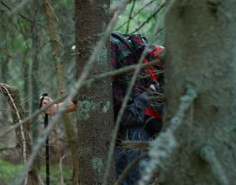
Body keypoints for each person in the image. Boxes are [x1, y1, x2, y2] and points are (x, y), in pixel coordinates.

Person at [41, 32, 164, 184]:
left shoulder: (108, 45)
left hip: (135, 127)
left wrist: (57, 108)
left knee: (129, 180)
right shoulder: (120, 44)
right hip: (140, 124)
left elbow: (95, 90)